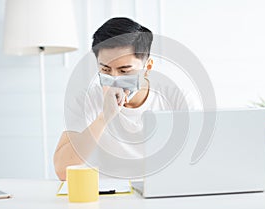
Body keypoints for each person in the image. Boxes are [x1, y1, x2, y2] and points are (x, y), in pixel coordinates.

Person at [54, 17, 196, 180]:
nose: (114, 78)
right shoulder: (86, 101)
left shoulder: (178, 99)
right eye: (106, 70)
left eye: (124, 71)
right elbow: (62, 170)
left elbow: (198, 162)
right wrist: (104, 117)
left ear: (147, 67)